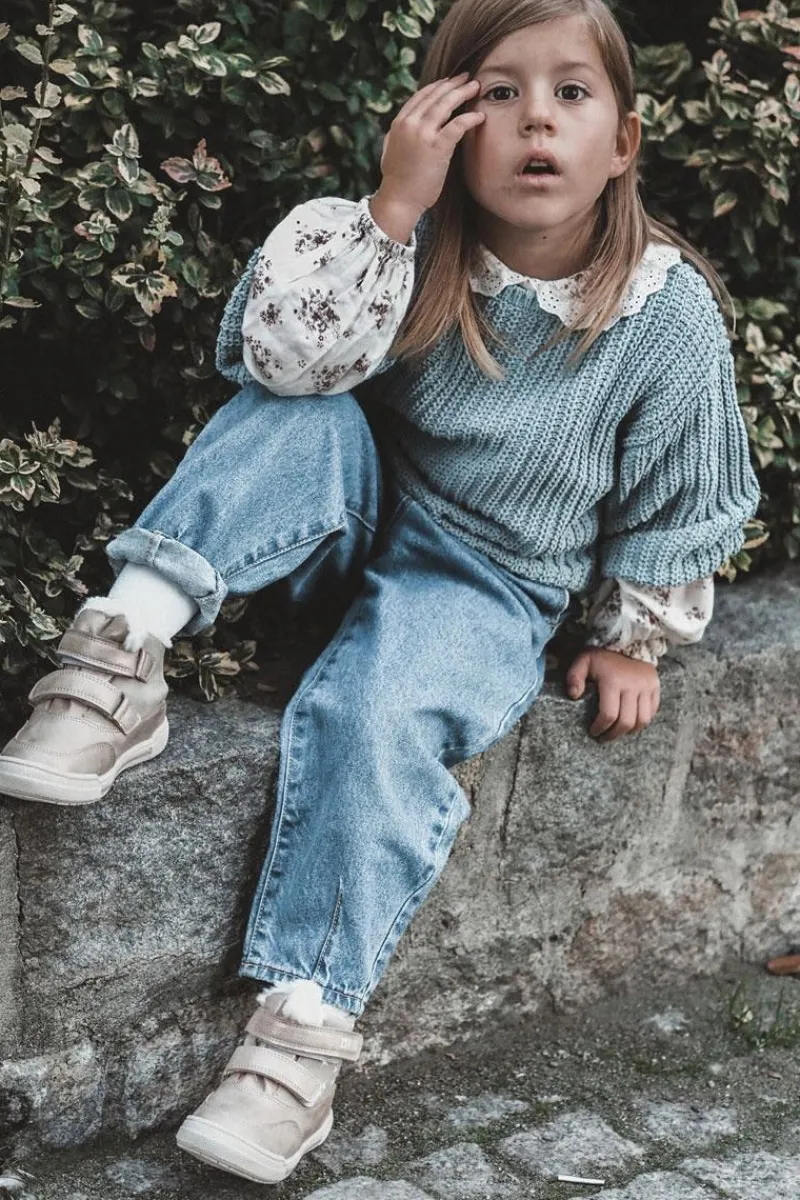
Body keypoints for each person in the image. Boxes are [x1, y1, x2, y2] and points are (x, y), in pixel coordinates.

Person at [0, 0, 761, 1185]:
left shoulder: (660, 318)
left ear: (621, 141)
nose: (535, 121)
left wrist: (634, 639)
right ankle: (119, 654)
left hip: (485, 583)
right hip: (349, 514)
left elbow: (680, 493)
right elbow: (280, 362)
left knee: (378, 714)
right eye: (497, 93)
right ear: (442, 121)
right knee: (289, 416)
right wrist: (393, 208)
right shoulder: (402, 246)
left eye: (569, 93)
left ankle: (297, 1036)